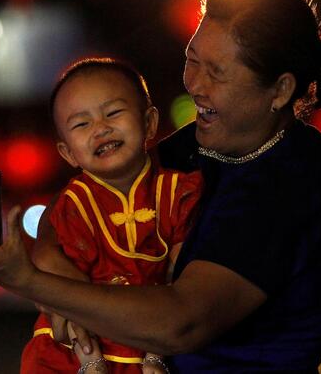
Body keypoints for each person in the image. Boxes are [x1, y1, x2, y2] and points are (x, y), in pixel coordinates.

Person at [0, 0, 321, 372]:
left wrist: (29, 282)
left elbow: (183, 322)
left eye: (216, 72)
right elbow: (83, 198)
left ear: (280, 90)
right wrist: (52, 261)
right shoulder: (192, 148)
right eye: (192, 59)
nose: (195, 85)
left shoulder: (293, 171)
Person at [21, 58, 203, 374]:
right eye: (82, 124)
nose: (101, 129)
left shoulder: (178, 191)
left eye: (113, 113)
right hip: (75, 351)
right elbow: (63, 287)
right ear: (67, 153)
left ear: (149, 122)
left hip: (150, 335)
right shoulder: (73, 205)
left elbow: (184, 279)